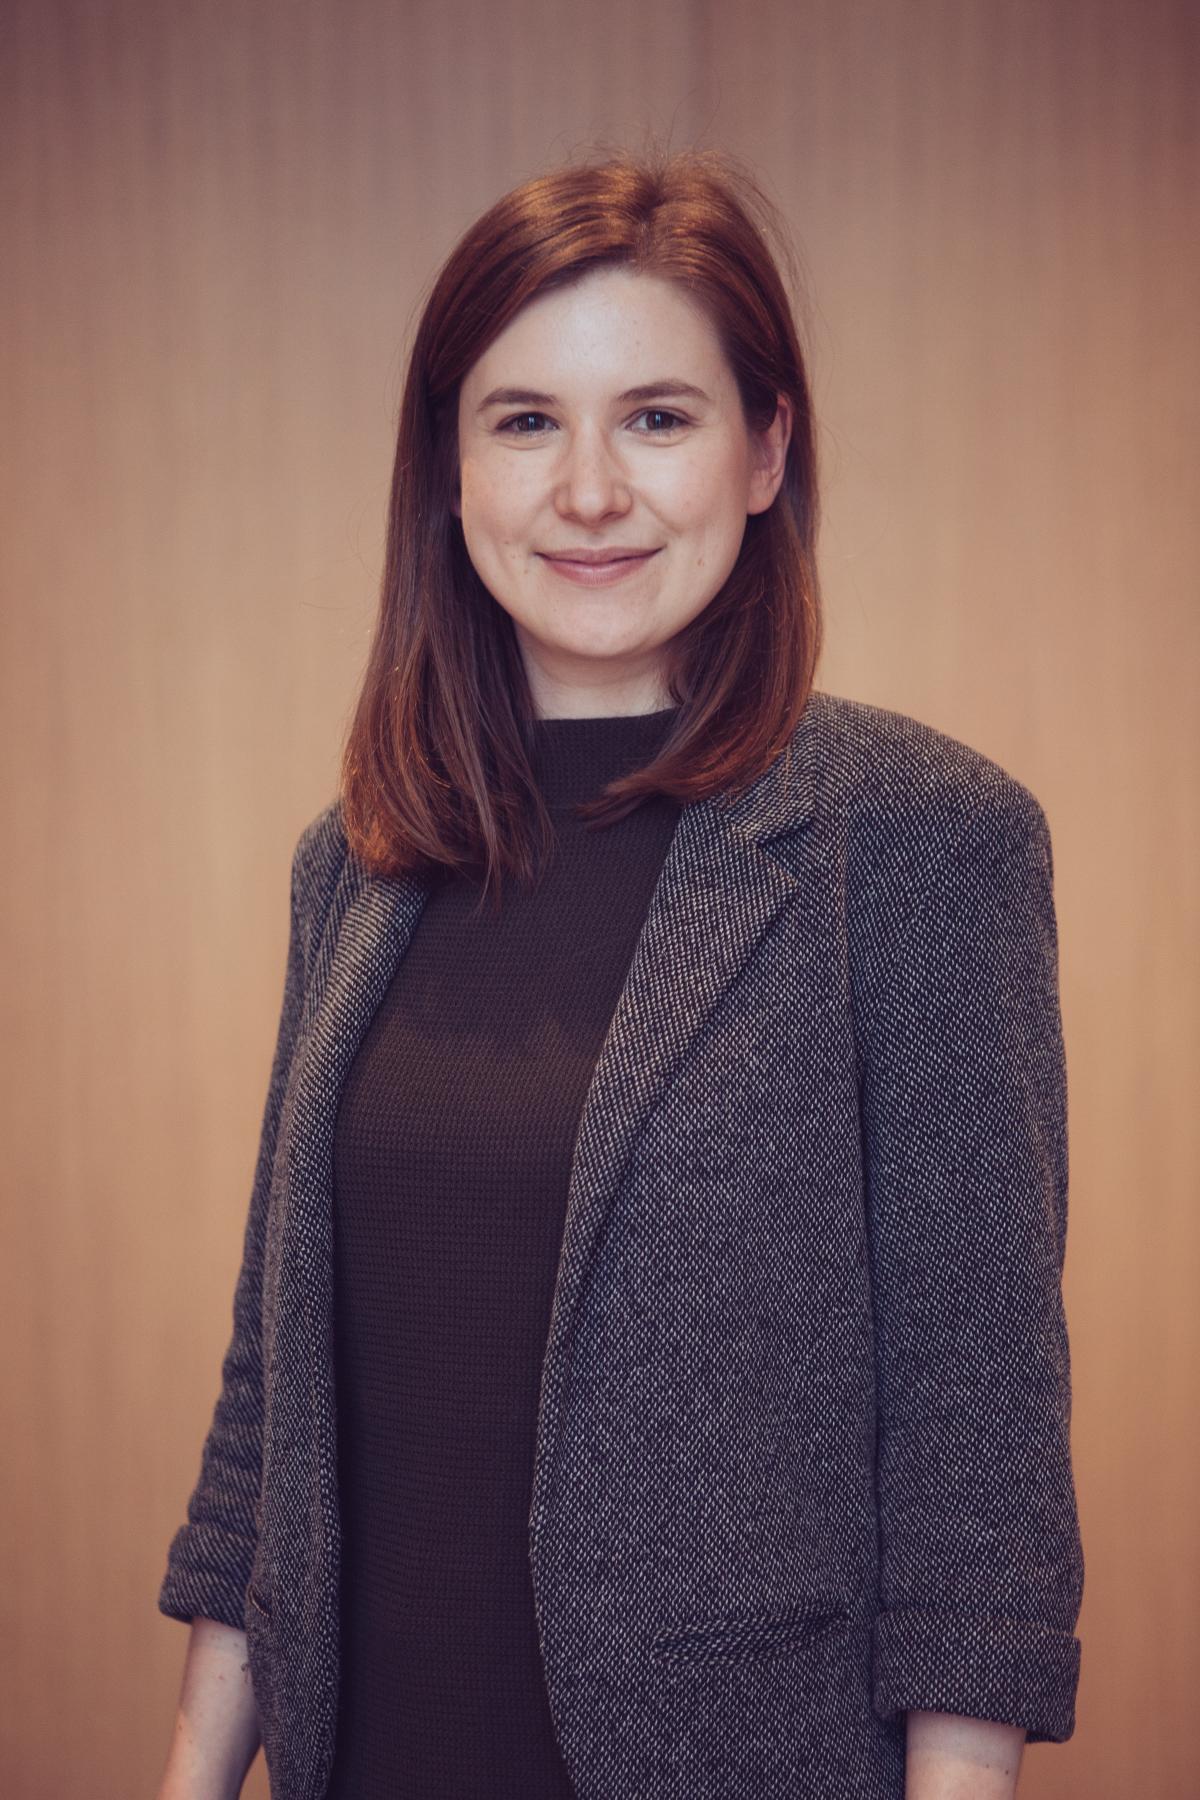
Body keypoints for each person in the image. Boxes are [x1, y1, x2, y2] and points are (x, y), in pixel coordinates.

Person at [154, 148, 1084, 1800]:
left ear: (765, 450)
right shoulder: (354, 865)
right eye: (526, 421)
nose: (589, 490)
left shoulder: (919, 841)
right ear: (449, 470)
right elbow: (272, 1398)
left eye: (657, 418)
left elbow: (977, 1447)